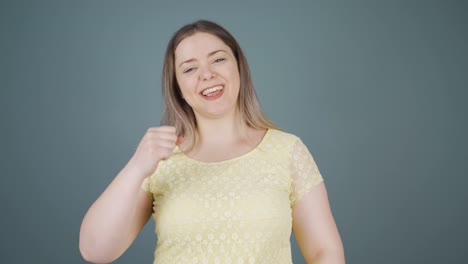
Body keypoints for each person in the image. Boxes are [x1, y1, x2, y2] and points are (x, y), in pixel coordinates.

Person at [79, 20, 345, 264]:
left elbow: (325, 251)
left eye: (218, 60)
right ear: (178, 88)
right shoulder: (158, 160)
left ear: (239, 67)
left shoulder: (288, 151)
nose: (206, 74)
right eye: (190, 68)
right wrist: (136, 167)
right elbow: (96, 251)